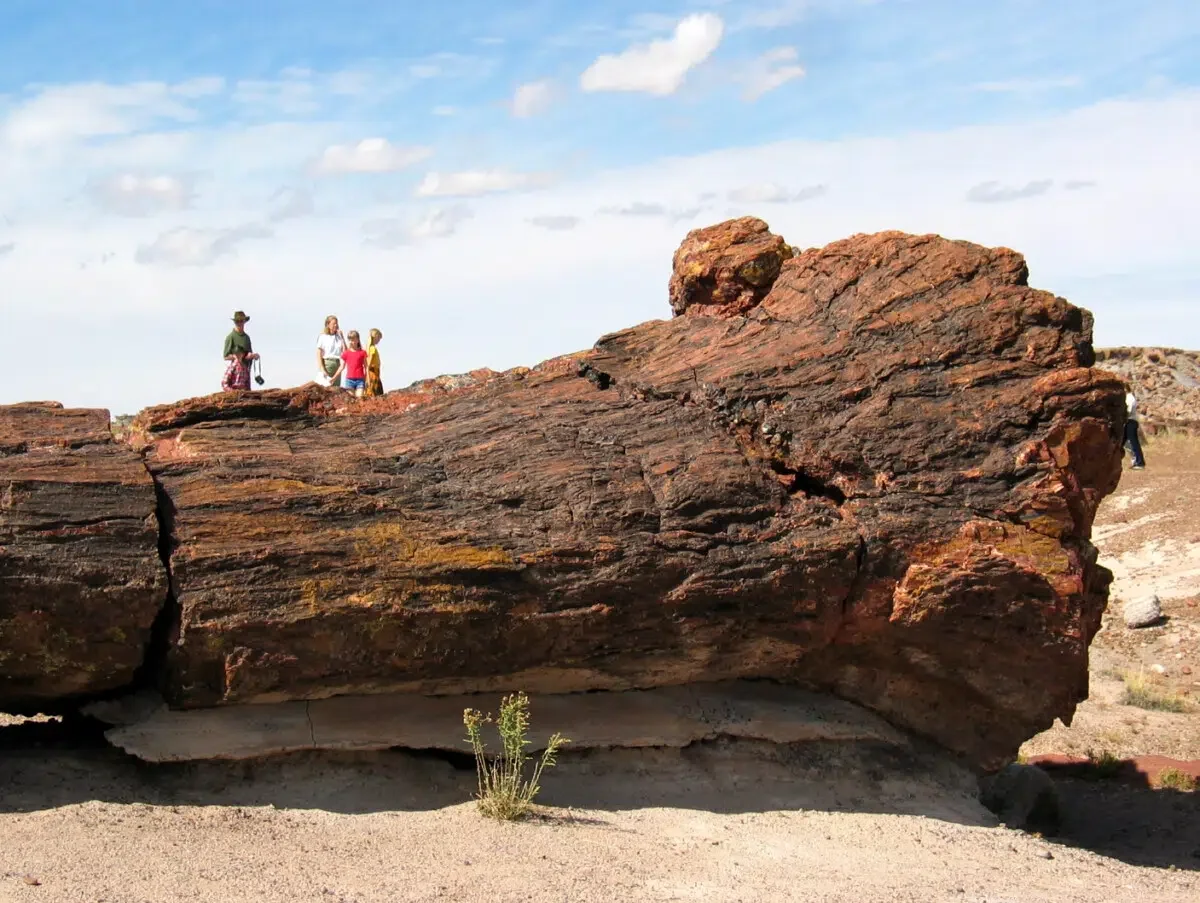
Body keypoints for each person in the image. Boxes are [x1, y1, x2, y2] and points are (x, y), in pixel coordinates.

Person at [222, 310, 259, 392]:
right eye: (237, 321)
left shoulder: (246, 338)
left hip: (245, 369)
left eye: (241, 321)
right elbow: (225, 356)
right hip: (236, 372)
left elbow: (248, 353)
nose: (239, 323)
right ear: (235, 322)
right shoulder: (230, 337)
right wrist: (235, 357)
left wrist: (253, 356)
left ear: (244, 321)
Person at [316, 315, 345, 388]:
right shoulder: (323, 336)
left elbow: (345, 351)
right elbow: (318, 353)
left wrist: (342, 337)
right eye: (334, 324)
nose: (336, 325)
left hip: (337, 364)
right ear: (328, 325)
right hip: (327, 363)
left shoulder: (339, 337)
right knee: (326, 387)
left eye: (336, 323)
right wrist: (322, 368)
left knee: (336, 388)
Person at [340, 331, 369, 397]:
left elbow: (366, 367)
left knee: (359, 397)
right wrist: (334, 377)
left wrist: (367, 379)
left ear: (358, 340)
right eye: (349, 340)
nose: (351, 342)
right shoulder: (346, 353)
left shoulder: (363, 352)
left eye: (353, 340)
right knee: (351, 399)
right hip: (349, 380)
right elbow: (341, 367)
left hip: (360, 380)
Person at [1125, 389, 1146, 470]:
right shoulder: (1127, 397)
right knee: (1124, 443)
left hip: (1130, 422)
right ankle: (1135, 461)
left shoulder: (1130, 398)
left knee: (1134, 443)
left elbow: (1128, 411)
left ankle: (1140, 462)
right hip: (1127, 422)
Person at [365, 328, 384, 397]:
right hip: (373, 372)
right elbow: (369, 362)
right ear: (375, 337)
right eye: (378, 338)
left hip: (375, 372)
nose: (379, 340)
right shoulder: (372, 348)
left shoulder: (370, 347)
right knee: (374, 392)